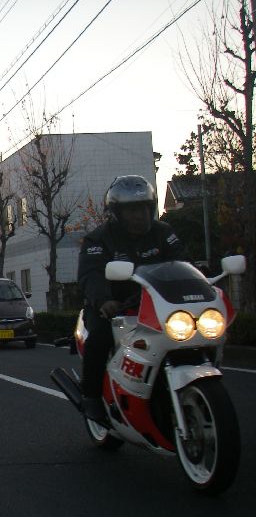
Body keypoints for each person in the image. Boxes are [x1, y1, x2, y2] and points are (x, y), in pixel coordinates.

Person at [77, 175, 184, 422]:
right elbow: (91, 274)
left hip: (159, 304)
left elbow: (182, 261)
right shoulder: (99, 239)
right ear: (116, 213)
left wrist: (201, 279)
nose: (139, 215)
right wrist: (103, 300)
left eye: (144, 208)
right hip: (115, 307)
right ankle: (90, 396)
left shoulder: (163, 232)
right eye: (132, 210)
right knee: (99, 337)